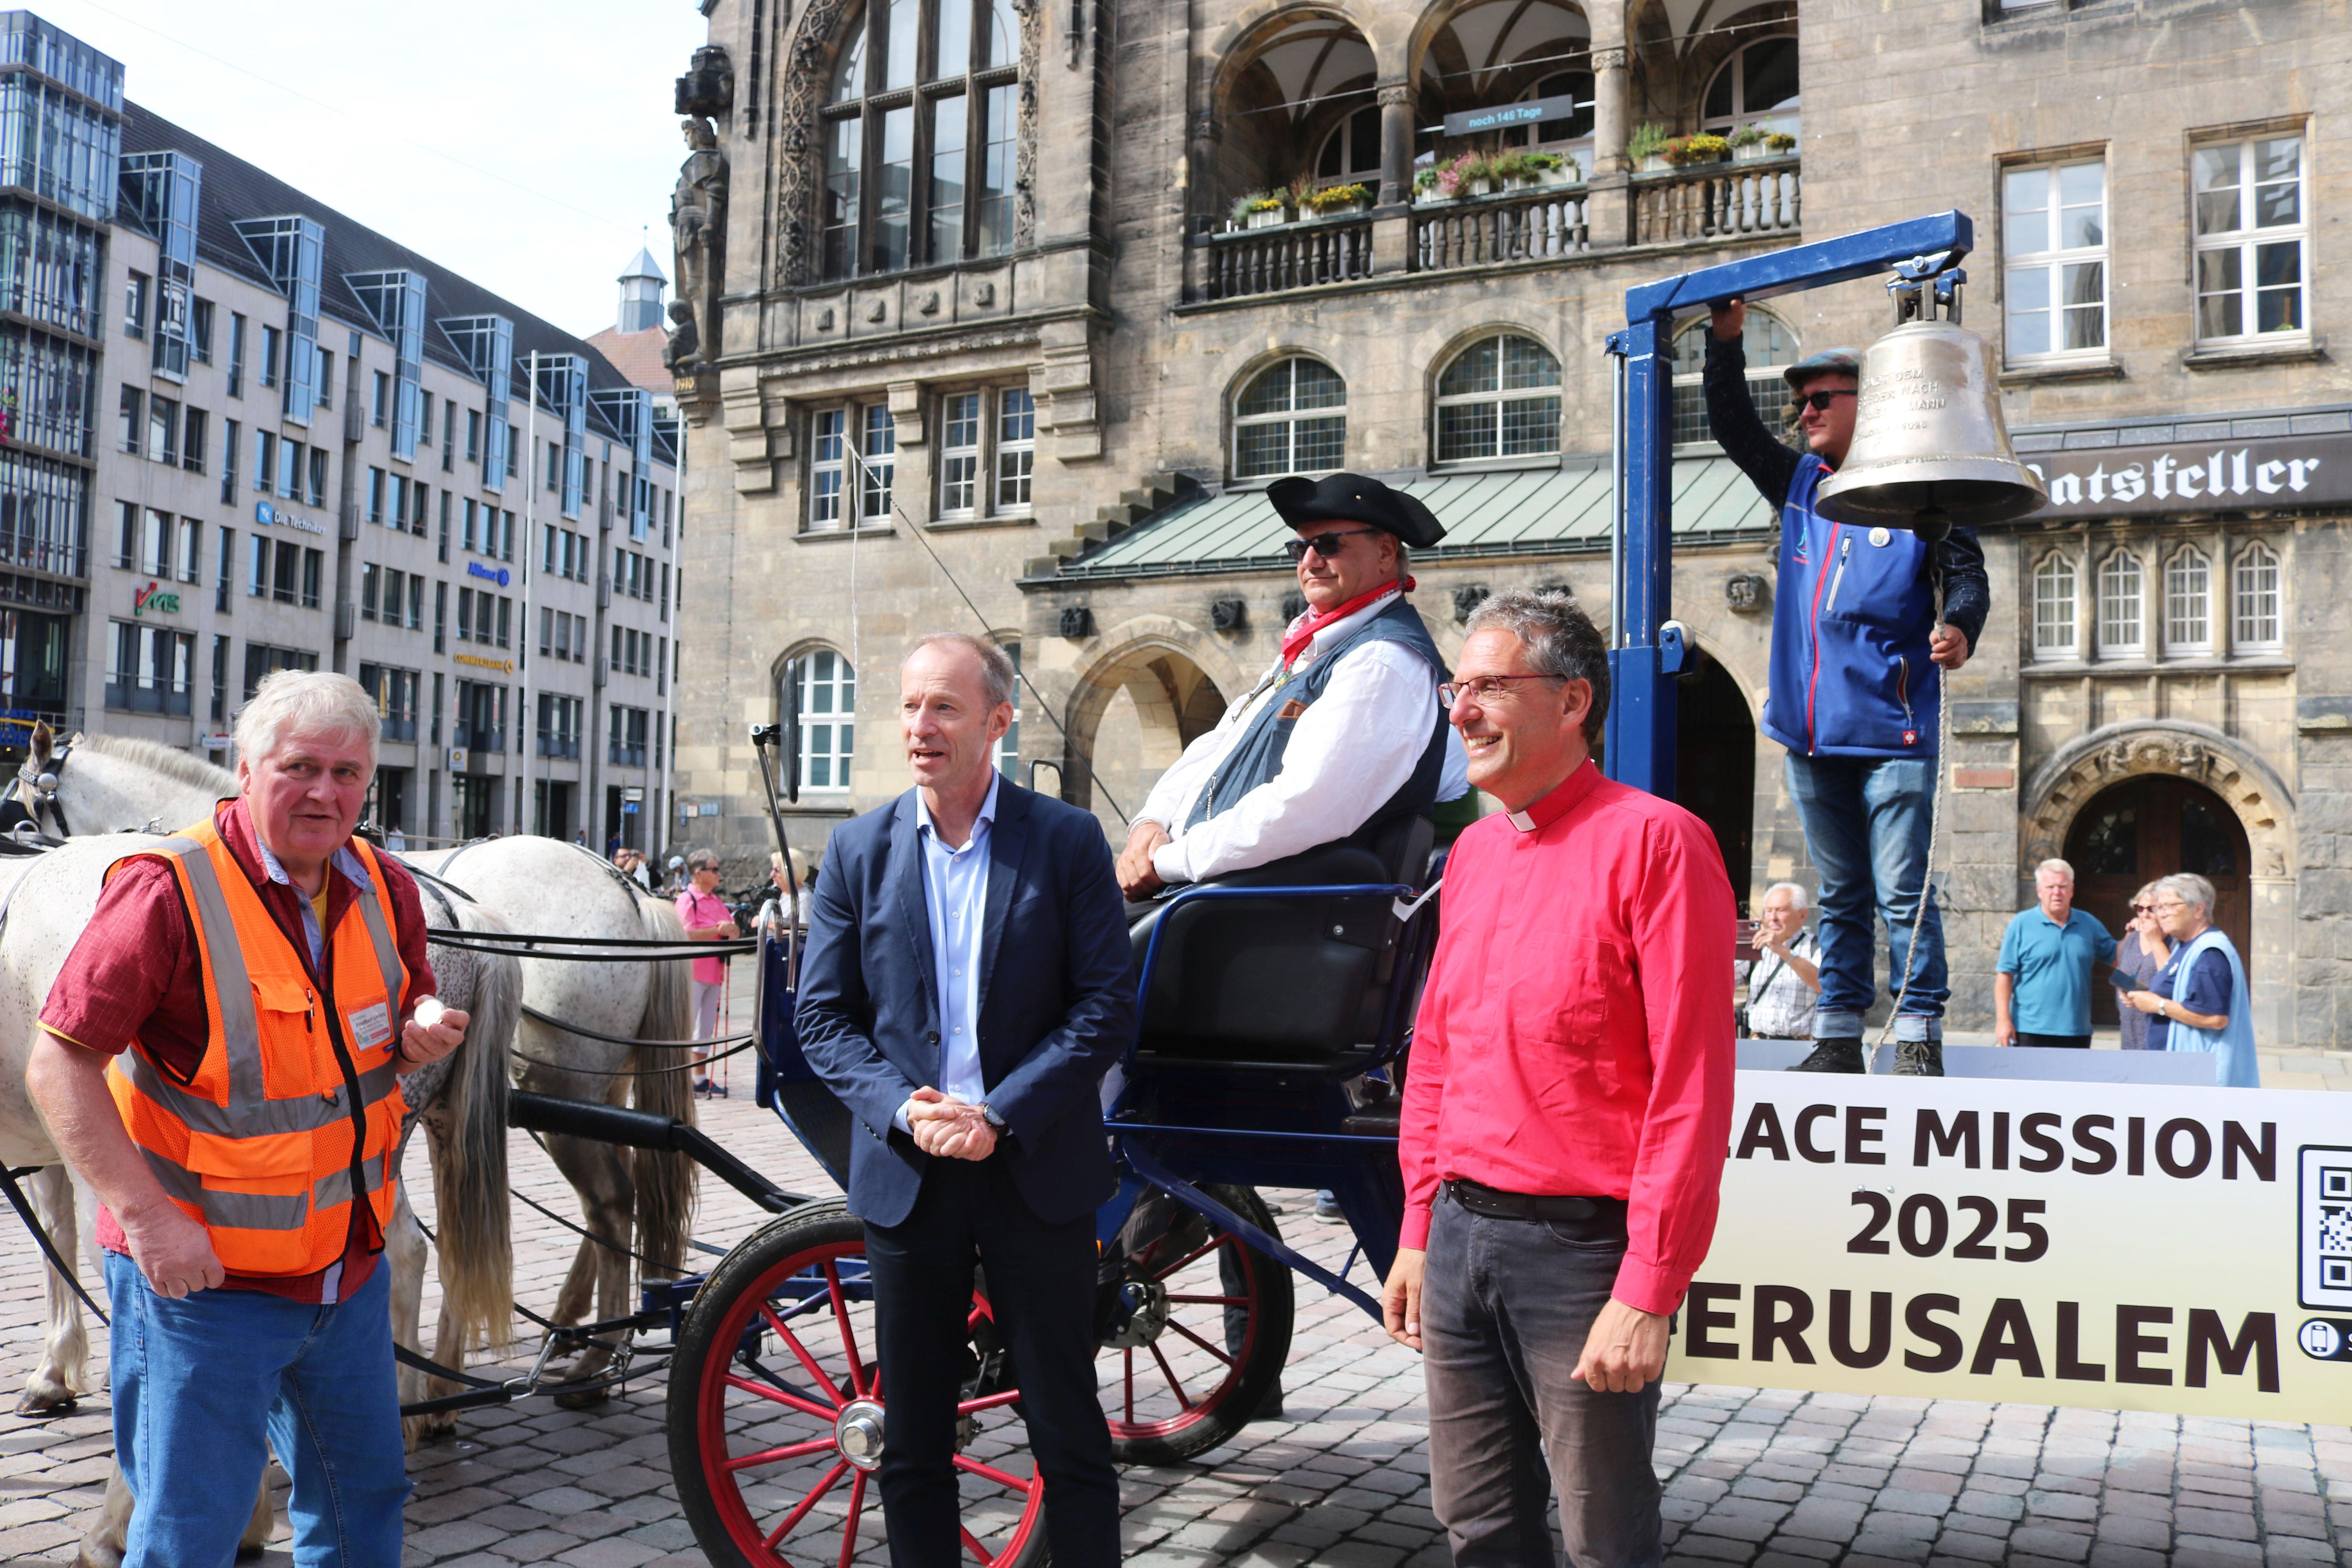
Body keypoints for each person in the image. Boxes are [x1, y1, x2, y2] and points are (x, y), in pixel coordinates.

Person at [24, 670, 471, 1568]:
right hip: (206, 1287)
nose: (326, 791)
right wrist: (150, 1220)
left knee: (364, 1503)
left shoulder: (386, 886)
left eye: (348, 773)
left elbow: (391, 1007)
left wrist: (420, 1029)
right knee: (193, 1530)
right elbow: (58, 1063)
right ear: (244, 766)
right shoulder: (167, 888)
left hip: (347, 1273)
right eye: (299, 766)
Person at [1381, 590, 1735, 1568]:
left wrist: (1650, 1287)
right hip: (1460, 1236)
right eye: (1458, 687)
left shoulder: (1660, 843)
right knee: (1478, 1524)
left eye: (1490, 685)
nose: (1461, 709)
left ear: (1574, 700)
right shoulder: (1477, 851)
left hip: (1581, 1253)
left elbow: (1692, 1088)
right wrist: (1417, 1228)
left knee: (1602, 1536)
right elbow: (1438, 1053)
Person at [797, 632, 1132, 1566]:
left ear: (997, 722)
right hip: (911, 1177)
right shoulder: (859, 847)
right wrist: (910, 1110)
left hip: (1035, 1169)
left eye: (944, 707)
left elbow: (1106, 1005)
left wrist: (999, 1115)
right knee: (912, 1443)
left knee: (1067, 1429)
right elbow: (823, 1019)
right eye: (909, 706)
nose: (921, 726)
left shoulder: (1064, 840)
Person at [1705, 300, 1991, 1076]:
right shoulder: (1800, 484)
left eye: (1821, 399)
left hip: (1892, 731)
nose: (1803, 414)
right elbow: (1734, 427)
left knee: (1902, 890)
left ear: (1871, 405)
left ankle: (1920, 1029)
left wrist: (1961, 627)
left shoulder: (1918, 489)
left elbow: (1966, 572)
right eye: (1800, 402)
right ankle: (1837, 1032)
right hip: (1810, 732)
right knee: (1840, 891)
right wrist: (1724, 342)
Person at [1114, 471, 1469, 901]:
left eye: (1329, 545)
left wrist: (1169, 861)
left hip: (1269, 912)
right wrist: (1150, 824)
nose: (1310, 561)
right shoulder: (1312, 649)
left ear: (1386, 552)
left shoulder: (1383, 660)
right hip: (1220, 896)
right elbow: (1217, 745)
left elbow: (1309, 804)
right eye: (1300, 547)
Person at [2122, 872, 2256, 1087]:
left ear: (2199, 910)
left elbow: (2215, 1018)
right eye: (2160, 908)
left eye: (2170, 906)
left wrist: (2158, 1005)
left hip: (2199, 1076)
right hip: (2179, 1068)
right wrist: (2143, 997)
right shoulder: (2186, 945)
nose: (2162, 914)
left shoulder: (2210, 953)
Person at [1994, 858, 2118, 1050]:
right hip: (2029, 1029)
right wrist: (2003, 1021)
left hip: (2076, 1031)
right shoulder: (2021, 924)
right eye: (2050, 887)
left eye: (2063, 887)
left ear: (2072, 891)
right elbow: (2005, 976)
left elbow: (2118, 958)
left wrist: (2138, 933)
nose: (2057, 893)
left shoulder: (2089, 924)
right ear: (2039, 891)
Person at [677, 849, 738, 1092]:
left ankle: (699, 1078)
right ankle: (679, 1076)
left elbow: (731, 928)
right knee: (686, 1026)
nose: (718, 874)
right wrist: (718, 929)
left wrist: (732, 931)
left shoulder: (715, 901)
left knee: (705, 1027)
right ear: (699, 873)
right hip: (693, 971)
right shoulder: (687, 899)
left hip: (715, 971)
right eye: (714, 869)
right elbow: (686, 933)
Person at [1739, 881, 1823, 1041]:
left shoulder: (1815, 947)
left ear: (1802, 915)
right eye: (1769, 911)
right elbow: (1725, 980)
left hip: (1800, 1044)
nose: (1773, 918)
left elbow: (1822, 984)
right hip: (1758, 1042)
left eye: (1781, 911)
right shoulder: (1757, 947)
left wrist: (1783, 951)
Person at [2113, 881, 2169, 1049]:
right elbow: (2120, 972)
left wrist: (2156, 940)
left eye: (2151, 909)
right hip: (2130, 1033)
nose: (2145, 915)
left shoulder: (2174, 942)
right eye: (2140, 908)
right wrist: (2126, 992)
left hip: (2159, 1033)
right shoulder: (2133, 937)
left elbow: (2172, 980)